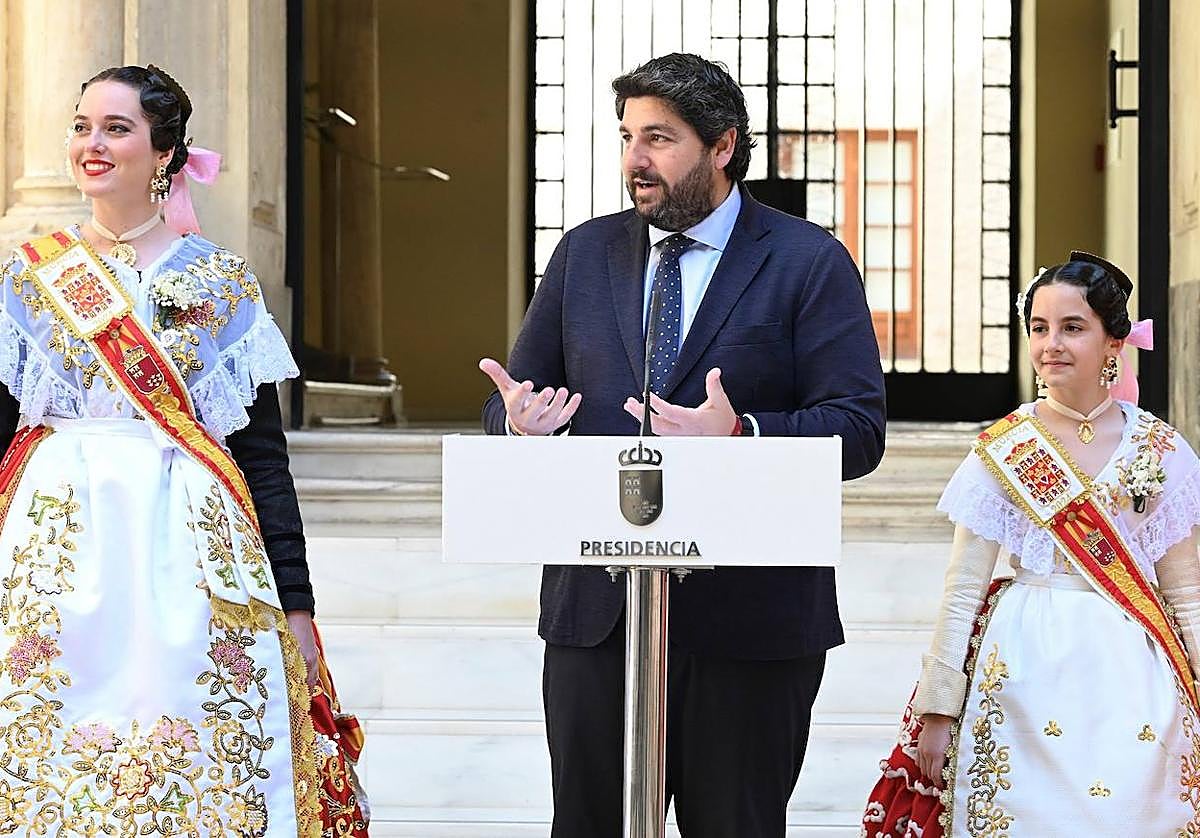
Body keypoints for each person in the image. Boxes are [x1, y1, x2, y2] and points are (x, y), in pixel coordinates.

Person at [479, 53, 886, 837]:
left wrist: (743, 432)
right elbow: (512, 397)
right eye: (628, 136)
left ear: (722, 145)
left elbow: (860, 430)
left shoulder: (808, 261)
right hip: (598, 613)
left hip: (749, 623)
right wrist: (515, 424)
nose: (636, 158)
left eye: (659, 138)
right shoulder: (583, 255)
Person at [0, 65, 367, 835]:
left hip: (191, 556)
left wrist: (295, 602)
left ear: (165, 153)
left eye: (116, 128)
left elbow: (263, 456)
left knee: (202, 759)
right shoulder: (27, 280)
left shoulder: (223, 282)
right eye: (81, 125)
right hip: (55, 550)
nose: (91, 145)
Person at [862, 253, 1200, 835]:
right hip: (1021, 663)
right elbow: (963, 589)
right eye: (1039, 329)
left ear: (1114, 341)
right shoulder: (1007, 446)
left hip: (1135, 674)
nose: (1052, 345)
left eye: (1073, 328)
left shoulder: (1162, 449)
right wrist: (938, 707)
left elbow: (1188, 591)